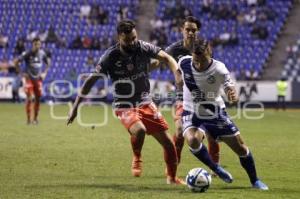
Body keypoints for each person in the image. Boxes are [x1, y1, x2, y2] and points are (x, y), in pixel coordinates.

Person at [67, 20, 184, 185]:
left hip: (144, 100)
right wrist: (75, 106)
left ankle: (172, 179)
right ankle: (137, 156)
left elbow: (166, 57)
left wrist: (177, 73)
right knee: (140, 130)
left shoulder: (142, 47)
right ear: (118, 38)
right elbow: (90, 81)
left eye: (134, 38)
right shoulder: (110, 56)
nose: (132, 42)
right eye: (128, 40)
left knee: (169, 143)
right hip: (124, 104)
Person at [178, 39, 268, 190]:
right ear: (192, 56)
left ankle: (255, 181)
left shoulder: (219, 68)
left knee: (240, 148)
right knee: (192, 140)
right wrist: (178, 81)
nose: (199, 64)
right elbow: (176, 69)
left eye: (203, 60)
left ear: (210, 53)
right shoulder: (184, 63)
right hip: (191, 111)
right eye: (196, 60)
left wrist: (232, 94)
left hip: (214, 112)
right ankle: (216, 168)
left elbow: (229, 85)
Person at [151, 16, 221, 167]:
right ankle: (174, 166)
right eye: (187, 29)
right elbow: (158, 61)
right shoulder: (174, 49)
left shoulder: (204, 48)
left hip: (202, 96)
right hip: (182, 95)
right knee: (179, 131)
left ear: (198, 31)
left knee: (212, 134)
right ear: (182, 30)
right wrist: (148, 67)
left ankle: (215, 166)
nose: (190, 33)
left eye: (193, 30)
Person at [14, 37, 51, 124]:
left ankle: (35, 119)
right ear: (32, 44)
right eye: (35, 44)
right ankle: (28, 119)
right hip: (29, 79)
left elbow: (48, 63)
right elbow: (16, 62)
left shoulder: (42, 53)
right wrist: (21, 73)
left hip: (38, 80)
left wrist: (45, 73)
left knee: (38, 99)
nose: (37, 46)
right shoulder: (27, 53)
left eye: (39, 44)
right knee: (30, 98)